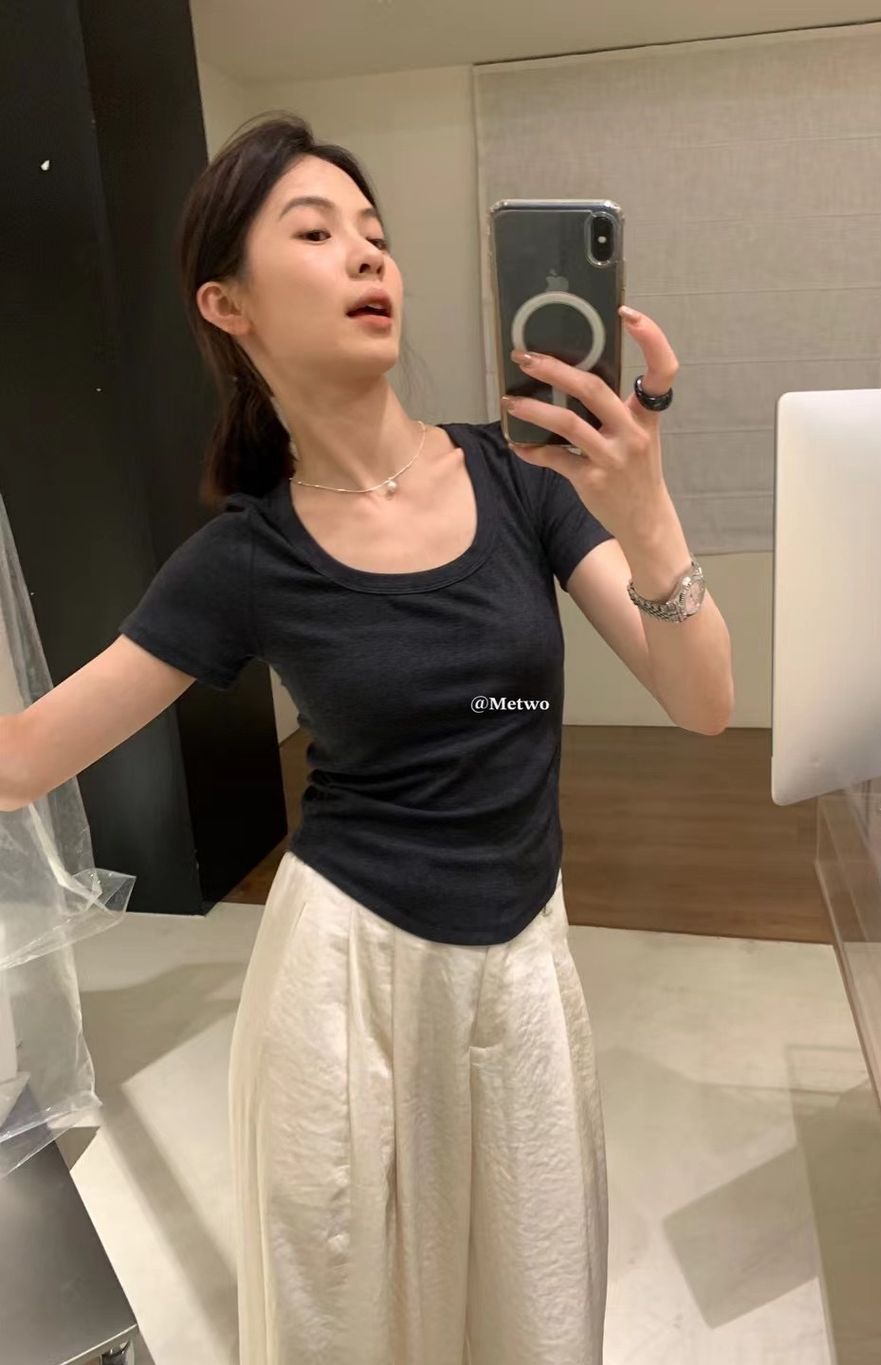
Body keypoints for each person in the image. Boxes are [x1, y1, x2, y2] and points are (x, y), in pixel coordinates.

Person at [13, 110, 729, 1364]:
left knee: (534, 1306)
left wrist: (648, 512)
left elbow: (703, 700)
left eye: (377, 235)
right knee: (345, 1318)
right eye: (315, 232)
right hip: (344, 984)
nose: (366, 256)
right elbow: (24, 759)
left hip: (522, 966)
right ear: (227, 306)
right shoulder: (243, 557)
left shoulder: (520, 481)